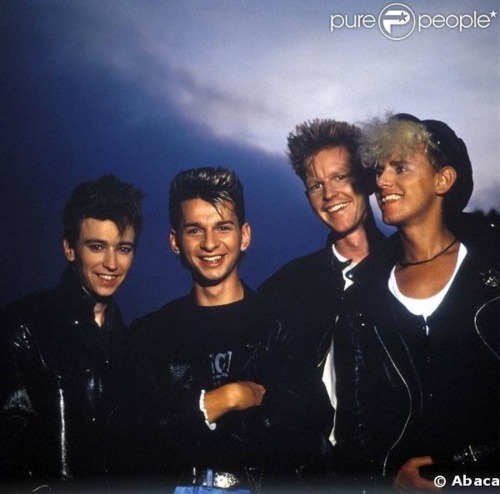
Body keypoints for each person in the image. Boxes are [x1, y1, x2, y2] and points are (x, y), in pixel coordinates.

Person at [124, 167, 327, 493]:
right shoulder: (150, 335)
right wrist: (227, 399)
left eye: (222, 227)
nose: (209, 243)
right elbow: (139, 436)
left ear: (244, 236)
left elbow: (304, 428)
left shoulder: (281, 328)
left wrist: (187, 417)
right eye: (195, 230)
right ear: (175, 241)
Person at [334, 113, 499, 491]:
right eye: (379, 170)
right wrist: (388, 479)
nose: (381, 181)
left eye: (401, 167)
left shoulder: (493, 274)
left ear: (443, 179)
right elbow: (354, 430)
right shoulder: (361, 300)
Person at [0, 175, 144, 490]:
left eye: (123, 248)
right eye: (97, 247)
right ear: (69, 248)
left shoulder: (130, 343)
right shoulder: (24, 326)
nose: (111, 263)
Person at [259, 119, 385, 457]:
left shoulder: (406, 271)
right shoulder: (286, 288)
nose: (329, 195)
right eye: (316, 185)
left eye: (340, 177)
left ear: (367, 179)